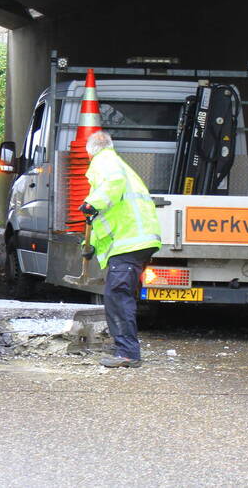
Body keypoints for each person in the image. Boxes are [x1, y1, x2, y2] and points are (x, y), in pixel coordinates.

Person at [80, 130, 161, 368]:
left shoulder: (104, 161)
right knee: (119, 296)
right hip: (138, 241)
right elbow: (106, 215)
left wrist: (91, 203)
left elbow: (109, 190)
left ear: (90, 151)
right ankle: (124, 348)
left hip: (130, 242)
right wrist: (91, 245)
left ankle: (127, 353)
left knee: (117, 297)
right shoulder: (119, 165)